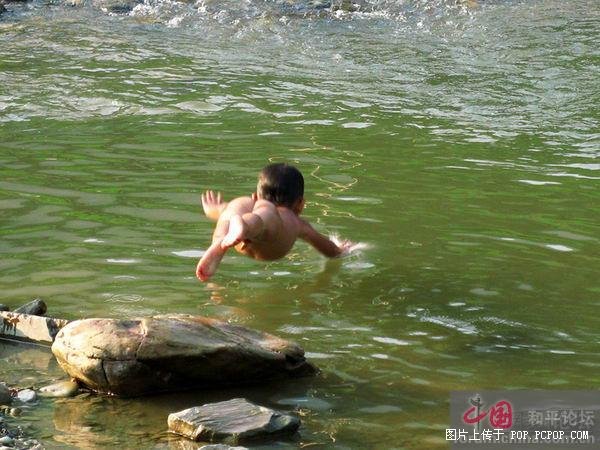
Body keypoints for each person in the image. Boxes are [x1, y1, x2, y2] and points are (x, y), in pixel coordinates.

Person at [196, 163, 354, 281]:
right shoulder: (294, 222)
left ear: (255, 196)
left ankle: (219, 242)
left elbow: (220, 212)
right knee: (262, 217)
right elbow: (328, 249)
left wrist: (215, 209)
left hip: (236, 229)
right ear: (300, 204)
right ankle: (244, 226)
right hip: (261, 227)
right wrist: (340, 250)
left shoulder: (252, 203)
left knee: (233, 208)